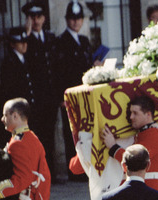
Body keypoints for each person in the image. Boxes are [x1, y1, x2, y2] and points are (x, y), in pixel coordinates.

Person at [54, 1, 94, 181]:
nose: (76, 22)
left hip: (85, 95)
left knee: (86, 130)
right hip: (71, 96)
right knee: (72, 133)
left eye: (78, 19)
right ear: (67, 20)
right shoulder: (61, 41)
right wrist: (62, 96)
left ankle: (85, 166)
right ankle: (74, 170)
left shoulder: (84, 41)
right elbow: (59, 72)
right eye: (72, 19)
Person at [101, 95, 158, 193]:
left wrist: (113, 147)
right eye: (130, 112)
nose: (131, 117)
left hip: (149, 190)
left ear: (148, 114)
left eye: (135, 113)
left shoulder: (155, 134)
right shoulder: (142, 133)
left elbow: (136, 160)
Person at [22, 1, 59, 179]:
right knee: (37, 135)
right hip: (35, 97)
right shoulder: (25, 40)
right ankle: (39, 172)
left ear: (44, 18)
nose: (36, 21)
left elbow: (57, 67)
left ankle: (50, 171)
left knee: (50, 135)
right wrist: (26, 34)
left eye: (39, 17)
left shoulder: (50, 38)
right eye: (32, 17)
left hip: (50, 96)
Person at [0, 28, 35, 117]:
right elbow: (10, 89)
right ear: (12, 44)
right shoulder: (9, 62)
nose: (24, 45)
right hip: (18, 109)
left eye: (25, 42)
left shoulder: (26, 58)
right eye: (21, 42)